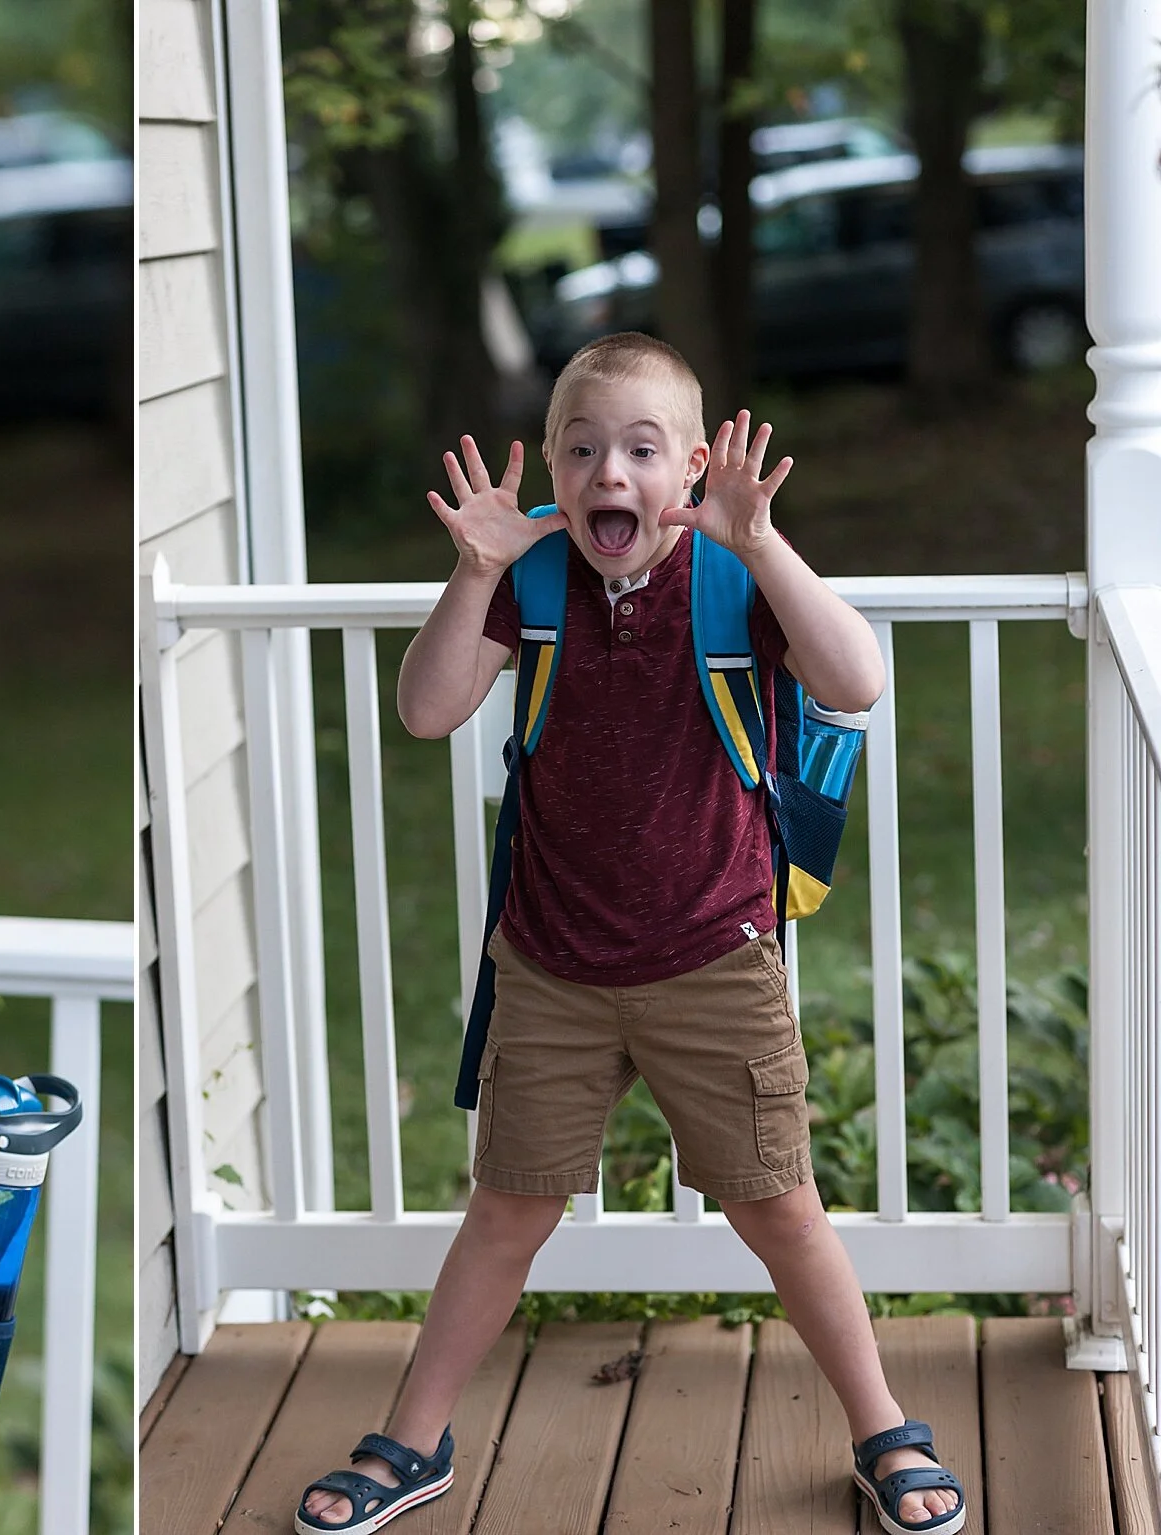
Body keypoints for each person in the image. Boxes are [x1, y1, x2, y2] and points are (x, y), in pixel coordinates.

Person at [294, 334, 966, 1535]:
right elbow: (425, 707)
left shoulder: (728, 576)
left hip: (713, 958)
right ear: (552, 466)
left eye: (642, 451)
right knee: (505, 1206)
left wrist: (758, 541)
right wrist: (471, 571)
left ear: (694, 468)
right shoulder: (530, 580)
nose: (611, 471)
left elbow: (854, 677)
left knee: (781, 1206)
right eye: (583, 448)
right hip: (549, 965)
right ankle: (412, 1436)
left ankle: (880, 1427)